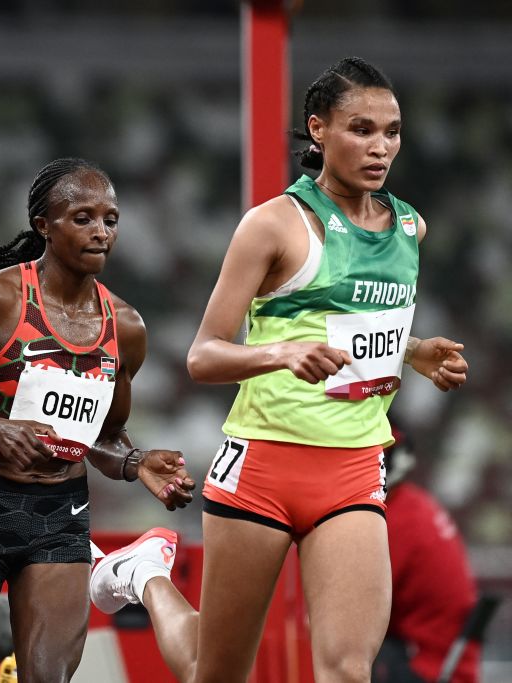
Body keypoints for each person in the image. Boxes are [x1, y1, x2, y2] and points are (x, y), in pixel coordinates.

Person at [89, 56, 469, 683]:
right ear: (318, 129)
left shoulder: (410, 227)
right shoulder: (271, 225)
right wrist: (280, 354)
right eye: (362, 129)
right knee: (216, 672)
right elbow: (202, 355)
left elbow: (359, 329)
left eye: (393, 131)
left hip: (351, 471)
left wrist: (416, 351)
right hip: (263, 465)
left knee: (347, 669)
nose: (382, 147)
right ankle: (146, 576)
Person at [0, 157, 195, 682]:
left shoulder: (125, 326)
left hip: (60, 513)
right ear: (43, 227)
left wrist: (136, 461)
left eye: (111, 220)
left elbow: (102, 435)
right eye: (83, 218)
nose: (101, 232)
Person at [373, 427, 480, 683]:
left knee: (339, 648)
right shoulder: (413, 507)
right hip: (445, 661)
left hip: (424, 666)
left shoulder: (394, 520)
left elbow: (362, 608)